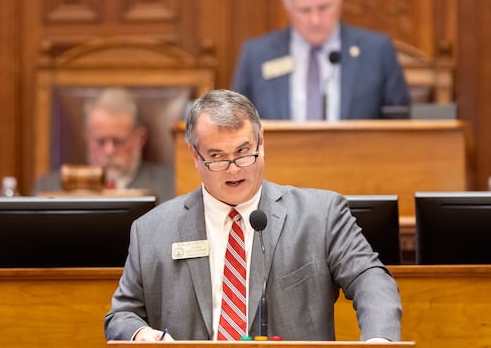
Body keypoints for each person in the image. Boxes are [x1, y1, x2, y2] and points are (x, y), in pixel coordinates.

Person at [104, 89, 402, 342]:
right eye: (218, 157)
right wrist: (140, 333)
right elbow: (121, 315)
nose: (234, 169)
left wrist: (379, 339)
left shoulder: (320, 215)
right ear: (195, 155)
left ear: (261, 143)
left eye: (244, 151)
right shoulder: (152, 230)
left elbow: (370, 278)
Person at [232, 0, 411, 120]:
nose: (315, 20)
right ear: (287, 6)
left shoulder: (377, 51)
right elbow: (237, 125)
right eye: (305, 10)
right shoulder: (257, 55)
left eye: (324, 7)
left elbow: (400, 124)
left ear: (340, 1)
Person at [34, 87, 175, 204]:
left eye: (118, 141)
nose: (109, 150)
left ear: (140, 138)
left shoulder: (172, 186)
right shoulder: (48, 189)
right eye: (100, 141)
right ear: (87, 137)